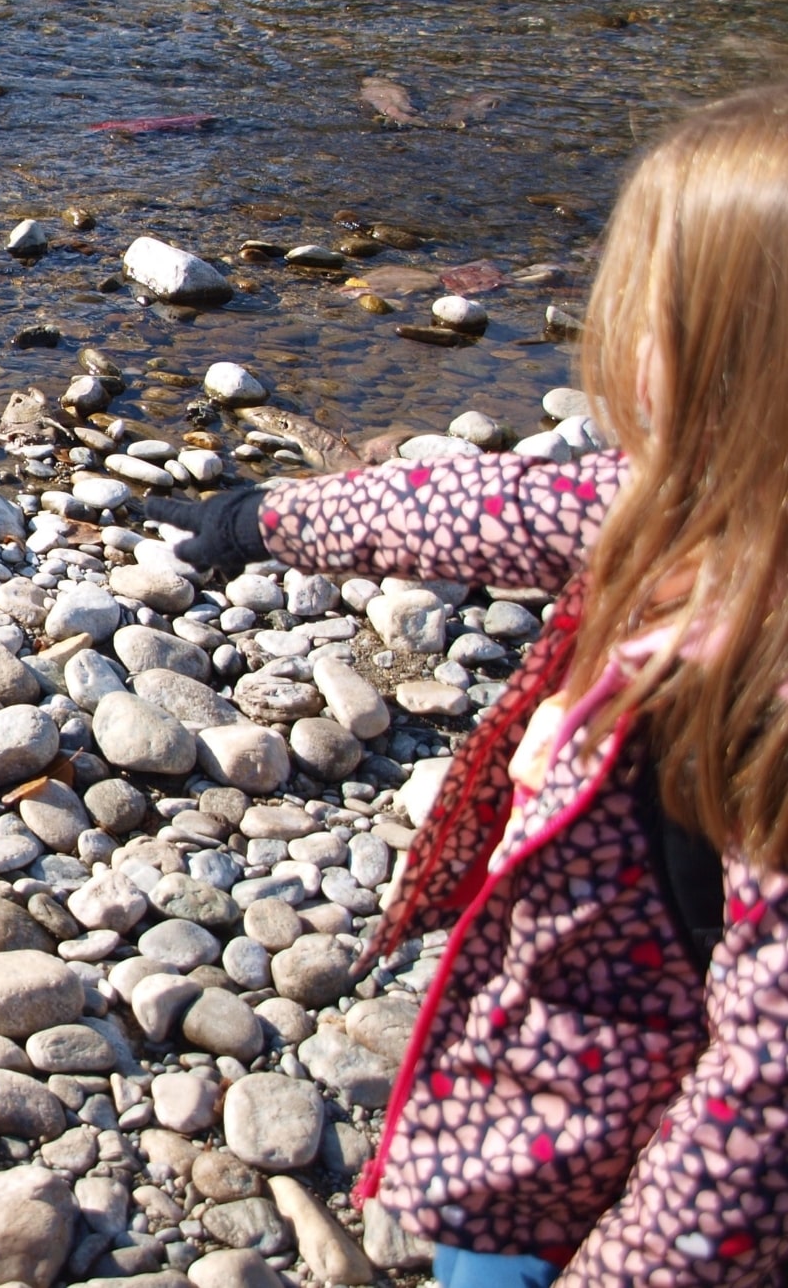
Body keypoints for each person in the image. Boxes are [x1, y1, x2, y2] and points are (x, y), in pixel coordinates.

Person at [146, 83, 788, 1286]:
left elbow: (761, 1103)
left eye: (638, 309)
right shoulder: (682, 508)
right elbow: (465, 509)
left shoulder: (762, 673)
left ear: (724, 364)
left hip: (618, 1141)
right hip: (546, 1069)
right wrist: (262, 518)